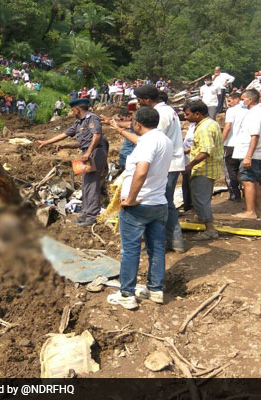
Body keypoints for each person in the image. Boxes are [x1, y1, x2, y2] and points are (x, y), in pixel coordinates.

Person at [105, 107, 173, 310]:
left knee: (130, 250)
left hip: (140, 204)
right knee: (157, 248)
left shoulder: (148, 142)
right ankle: (155, 289)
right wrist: (119, 129)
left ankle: (127, 294)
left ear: (138, 124)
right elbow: (140, 143)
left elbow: (141, 171)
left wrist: (131, 199)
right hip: (159, 203)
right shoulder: (163, 140)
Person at [37, 99, 109, 227]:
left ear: (77, 109)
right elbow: (64, 135)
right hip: (87, 152)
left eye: (72, 109)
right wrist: (47, 142)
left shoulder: (92, 118)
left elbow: (97, 136)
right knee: (86, 184)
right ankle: (86, 214)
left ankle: (92, 216)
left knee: (91, 184)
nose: (71, 112)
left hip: (95, 152)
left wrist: (88, 153)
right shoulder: (79, 123)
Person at [134, 85, 185, 252]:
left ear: (148, 100)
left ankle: (167, 241)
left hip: (167, 164)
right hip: (171, 162)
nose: (139, 103)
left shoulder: (161, 115)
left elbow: (152, 139)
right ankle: (172, 241)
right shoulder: (167, 110)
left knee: (162, 203)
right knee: (165, 202)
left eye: (140, 100)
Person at [183, 100, 224, 240]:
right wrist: (188, 150)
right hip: (210, 167)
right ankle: (202, 218)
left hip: (204, 168)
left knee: (201, 200)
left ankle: (210, 230)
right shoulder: (210, 123)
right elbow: (204, 146)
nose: (185, 117)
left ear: (197, 114)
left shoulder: (204, 128)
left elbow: (206, 151)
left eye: (188, 114)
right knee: (202, 198)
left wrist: (190, 164)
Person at [231, 89, 261, 219]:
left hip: (251, 153)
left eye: (243, 99)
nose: (241, 101)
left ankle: (250, 211)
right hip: (254, 153)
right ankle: (259, 211)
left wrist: (248, 156)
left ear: (250, 99)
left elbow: (254, 136)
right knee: (254, 182)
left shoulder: (255, 114)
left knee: (247, 181)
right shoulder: (257, 112)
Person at [222, 92, 248, 201]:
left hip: (231, 144)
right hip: (244, 144)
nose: (228, 103)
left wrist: (220, 141)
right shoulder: (248, 110)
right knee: (242, 170)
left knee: (230, 171)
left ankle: (234, 194)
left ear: (237, 100)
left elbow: (228, 127)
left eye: (230, 101)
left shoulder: (231, 111)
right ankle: (246, 193)